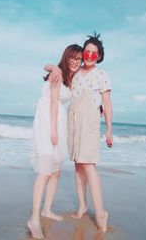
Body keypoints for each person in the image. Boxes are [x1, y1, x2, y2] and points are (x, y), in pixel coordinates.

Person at [47, 33, 113, 233]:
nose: (90, 55)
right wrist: (57, 67)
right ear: (83, 53)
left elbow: (107, 104)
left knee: (89, 164)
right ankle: (82, 205)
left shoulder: (102, 75)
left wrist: (109, 130)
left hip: (90, 120)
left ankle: (100, 211)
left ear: (99, 56)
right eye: (88, 52)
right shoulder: (74, 73)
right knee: (77, 164)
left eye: (95, 53)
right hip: (72, 119)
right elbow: (50, 68)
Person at [27, 44, 83, 239]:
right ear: (66, 57)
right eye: (73, 58)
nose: (76, 61)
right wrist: (52, 129)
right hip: (48, 121)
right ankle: (34, 219)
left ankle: (46, 210)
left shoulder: (70, 78)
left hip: (59, 121)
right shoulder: (57, 73)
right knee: (45, 170)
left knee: (56, 170)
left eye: (79, 58)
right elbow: (52, 100)